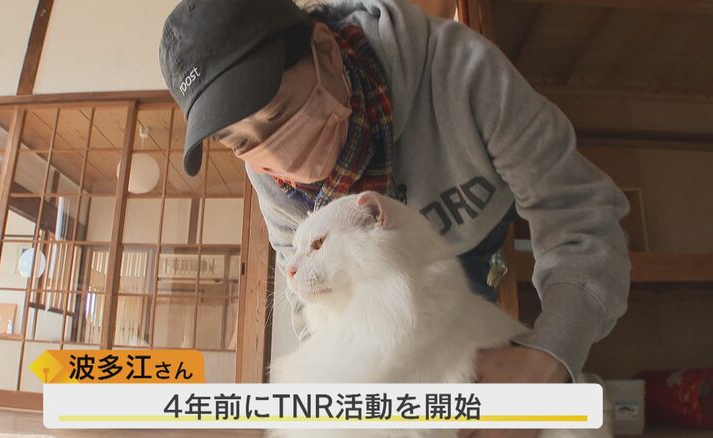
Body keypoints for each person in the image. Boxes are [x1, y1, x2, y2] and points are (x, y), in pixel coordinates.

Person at [159, 1, 631, 435]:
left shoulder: (461, 71)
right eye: (242, 142)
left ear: (325, 51)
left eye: (279, 111)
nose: (277, 156)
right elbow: (316, 304)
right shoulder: (269, 180)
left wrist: (546, 360)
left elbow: (579, 216)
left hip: (468, 252)